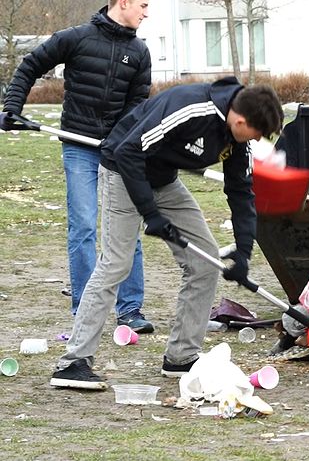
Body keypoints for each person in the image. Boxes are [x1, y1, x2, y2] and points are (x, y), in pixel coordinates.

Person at [47, 77, 284, 389]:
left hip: (163, 181)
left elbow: (240, 191)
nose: (249, 142)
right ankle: (73, 362)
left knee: (205, 262)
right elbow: (129, 151)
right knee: (116, 264)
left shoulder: (237, 136)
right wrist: (151, 214)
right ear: (240, 120)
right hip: (122, 173)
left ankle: (181, 357)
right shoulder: (190, 108)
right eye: (252, 134)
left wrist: (243, 251)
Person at [1, 0, 154, 334]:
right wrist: (11, 107)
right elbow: (29, 66)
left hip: (117, 152)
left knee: (125, 230)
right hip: (78, 147)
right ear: (124, 2)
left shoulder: (141, 53)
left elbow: (136, 106)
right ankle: (86, 311)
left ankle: (130, 309)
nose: (147, 13)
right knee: (83, 227)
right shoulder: (76, 38)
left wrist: (120, 140)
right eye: (144, 6)